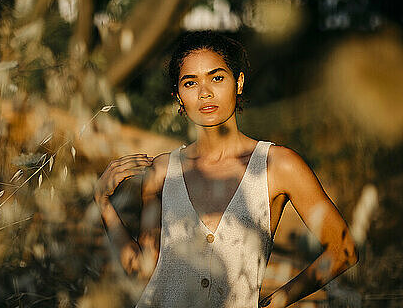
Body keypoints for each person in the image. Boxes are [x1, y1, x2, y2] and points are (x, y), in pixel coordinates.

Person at [94, 30, 358, 307]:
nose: (205, 93)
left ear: (239, 82)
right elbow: (142, 270)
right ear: (178, 97)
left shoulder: (278, 165)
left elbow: (344, 250)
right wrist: (102, 203)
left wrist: (280, 299)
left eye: (217, 78)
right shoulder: (162, 171)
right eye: (190, 82)